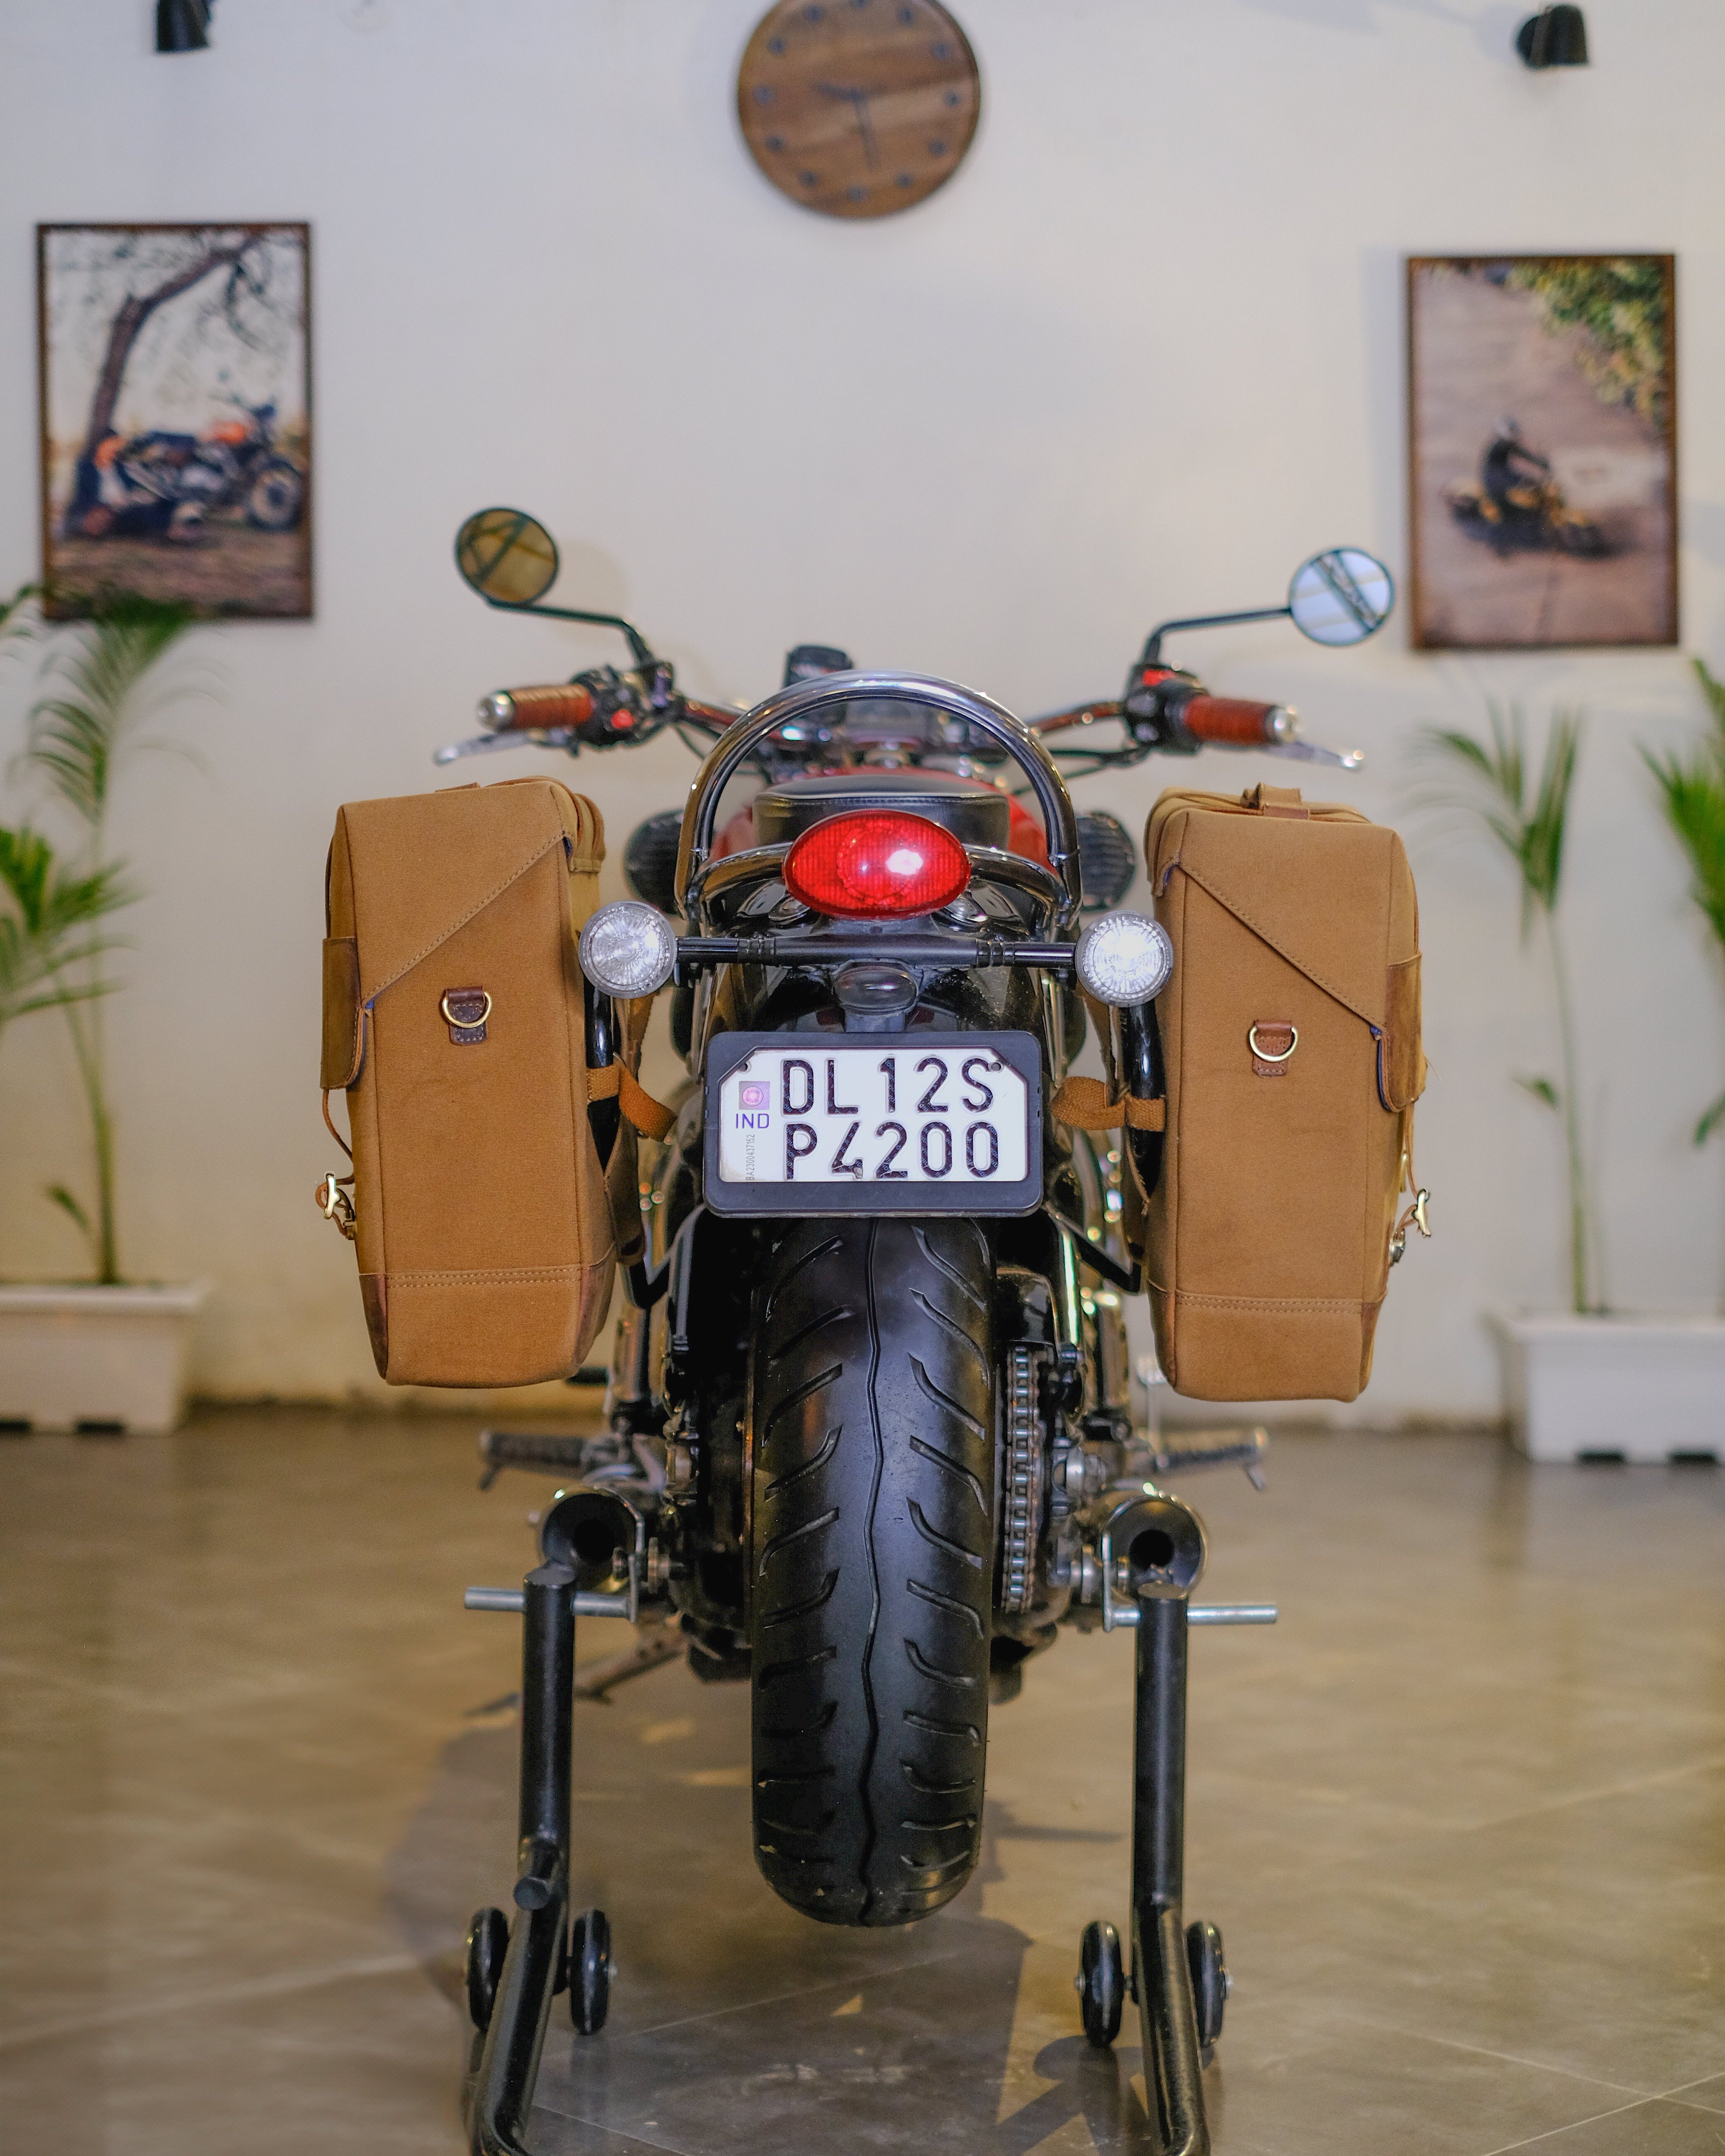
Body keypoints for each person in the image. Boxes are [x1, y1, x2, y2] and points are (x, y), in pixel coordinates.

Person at [1480, 417, 1551, 517]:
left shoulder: (1506, 443)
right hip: (1495, 485)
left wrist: (1540, 463)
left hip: (1503, 478)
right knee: (1521, 513)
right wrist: (1522, 480)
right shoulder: (1499, 448)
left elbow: (1523, 453)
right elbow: (1500, 474)